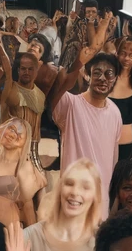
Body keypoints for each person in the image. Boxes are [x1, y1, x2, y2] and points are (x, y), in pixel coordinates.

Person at [50, 53, 126, 220]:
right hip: (73, 196)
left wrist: (111, 198)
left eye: (109, 74)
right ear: (87, 74)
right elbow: (56, 81)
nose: (103, 78)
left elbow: (113, 158)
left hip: (101, 200)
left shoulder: (115, 112)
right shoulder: (70, 103)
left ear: (115, 79)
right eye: (97, 72)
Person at [0, 117, 45, 228]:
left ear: (26, 140)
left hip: (12, 230)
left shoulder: (25, 168)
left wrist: (32, 241)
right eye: (11, 129)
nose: (14, 134)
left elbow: (28, 208)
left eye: (20, 133)